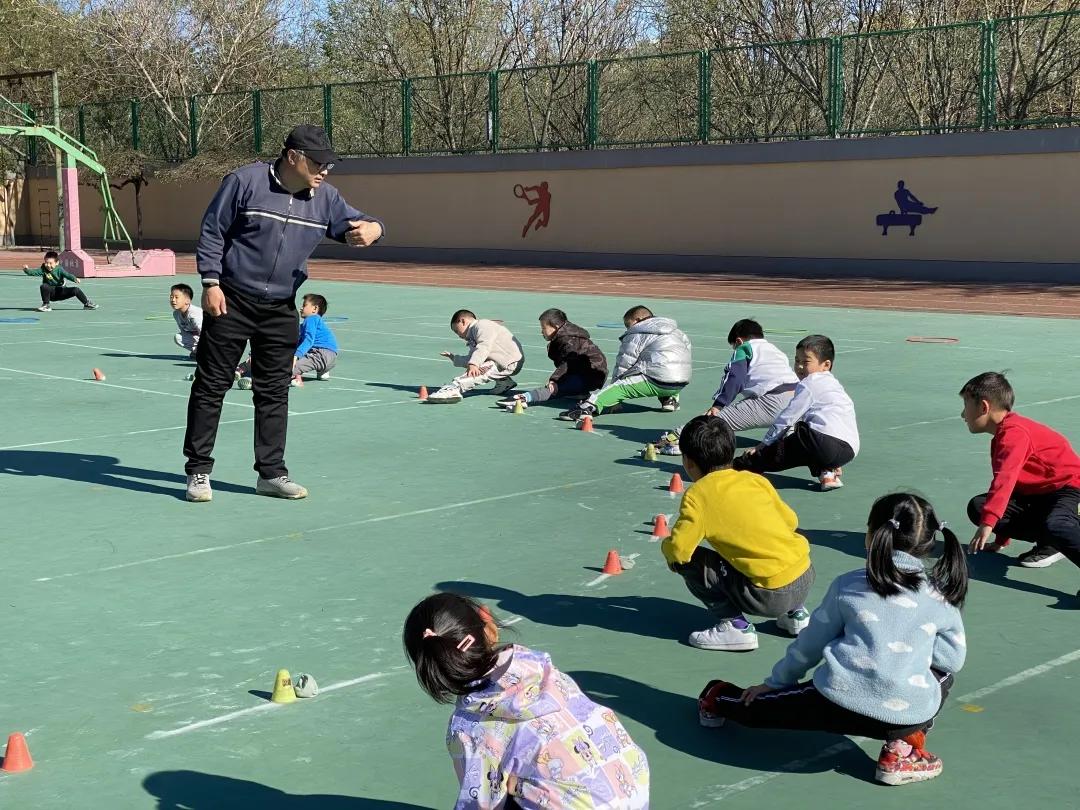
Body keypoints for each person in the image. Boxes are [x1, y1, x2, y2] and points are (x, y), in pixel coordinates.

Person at [697, 493, 968, 787]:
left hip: (833, 702)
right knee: (943, 678)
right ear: (931, 541)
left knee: (758, 708)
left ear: (873, 535)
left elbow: (810, 645)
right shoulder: (941, 596)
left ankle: (717, 697)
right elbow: (951, 660)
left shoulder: (849, 584)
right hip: (904, 713)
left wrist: (775, 683)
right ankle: (899, 751)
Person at [183, 124, 383, 503]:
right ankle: (198, 471)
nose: (325, 171)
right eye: (319, 162)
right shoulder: (244, 182)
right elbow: (213, 231)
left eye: (330, 164)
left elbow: (361, 223)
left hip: (280, 309)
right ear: (293, 157)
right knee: (211, 387)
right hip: (231, 300)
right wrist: (210, 283)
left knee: (274, 391)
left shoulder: (326, 199)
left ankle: (271, 474)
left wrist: (375, 228)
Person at [403, 592, 650, 808]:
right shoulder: (540, 668)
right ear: (489, 626)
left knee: (500, 789)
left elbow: (480, 802)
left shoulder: (467, 726)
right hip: (631, 788)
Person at [662, 416, 815, 652]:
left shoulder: (698, 496)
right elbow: (790, 520)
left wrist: (668, 550)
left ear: (688, 462)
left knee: (690, 562)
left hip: (768, 596)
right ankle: (796, 614)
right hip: (804, 577)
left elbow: (680, 550)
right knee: (778, 543)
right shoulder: (754, 480)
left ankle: (736, 626)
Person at [962, 371, 1080, 572]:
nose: (963, 414)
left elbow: (1005, 481)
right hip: (1041, 496)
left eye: (966, 406)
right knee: (979, 507)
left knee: (1057, 525)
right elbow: (1014, 489)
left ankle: (1060, 535)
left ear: (984, 406)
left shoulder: (1014, 434)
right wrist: (1000, 539)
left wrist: (988, 526)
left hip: (1070, 489)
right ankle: (1052, 543)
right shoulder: (1002, 437)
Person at [733, 334, 858, 491]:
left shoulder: (810, 383)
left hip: (822, 444)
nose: (799, 366)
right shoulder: (835, 386)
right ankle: (828, 472)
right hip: (848, 451)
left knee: (782, 448)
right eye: (797, 361)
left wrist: (762, 446)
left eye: (806, 362)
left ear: (826, 365)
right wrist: (833, 460)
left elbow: (787, 418)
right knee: (809, 433)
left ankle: (735, 467)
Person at [656, 318, 798, 455]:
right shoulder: (775, 350)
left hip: (770, 402)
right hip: (797, 400)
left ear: (738, 341)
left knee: (711, 423)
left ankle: (677, 439)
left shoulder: (744, 348)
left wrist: (719, 404)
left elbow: (735, 378)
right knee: (792, 442)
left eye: (734, 346)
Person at [560, 305, 691, 423]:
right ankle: (670, 399)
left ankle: (587, 408)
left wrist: (613, 396)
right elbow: (686, 351)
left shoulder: (637, 332)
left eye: (628, 325)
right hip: (681, 381)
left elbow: (625, 363)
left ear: (638, 320)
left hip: (658, 380)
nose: (628, 329)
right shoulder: (676, 331)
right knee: (665, 367)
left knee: (622, 386)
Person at [497, 308, 607, 410]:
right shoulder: (564, 336)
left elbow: (569, 362)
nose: (542, 331)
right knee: (564, 383)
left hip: (592, 374)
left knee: (555, 388)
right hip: (583, 371)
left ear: (556, 326)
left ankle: (525, 398)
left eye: (544, 328)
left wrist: (554, 380)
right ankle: (579, 392)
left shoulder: (569, 340)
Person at [428, 310, 524, 404]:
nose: (458, 335)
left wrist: (474, 364)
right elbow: (473, 357)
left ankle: (455, 388)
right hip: (502, 361)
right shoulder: (473, 336)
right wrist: (455, 358)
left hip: (507, 361)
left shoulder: (482, 325)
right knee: (477, 365)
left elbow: (484, 346)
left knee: (479, 371)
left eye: (457, 331)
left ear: (463, 321)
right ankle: (504, 382)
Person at [23, 250, 98, 312]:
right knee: (44, 286)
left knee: (76, 290)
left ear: (57, 263)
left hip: (61, 292)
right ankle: (46, 305)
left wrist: (74, 279)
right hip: (51, 294)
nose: (48, 265)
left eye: (50, 263)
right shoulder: (43, 269)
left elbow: (67, 275)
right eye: (46, 263)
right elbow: (34, 272)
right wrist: (26, 270)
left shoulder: (59, 269)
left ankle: (87, 304)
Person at [290, 293, 338, 386]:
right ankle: (323, 371)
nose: (301, 308)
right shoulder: (313, 321)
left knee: (287, 368)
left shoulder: (311, 319)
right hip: (331, 357)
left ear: (315, 309)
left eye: (304, 305)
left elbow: (308, 340)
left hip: (321, 354)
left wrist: (296, 355)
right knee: (306, 358)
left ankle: (295, 378)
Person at [170, 283, 202, 359]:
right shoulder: (176, 314)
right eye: (171, 297)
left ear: (187, 301)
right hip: (198, 337)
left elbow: (203, 332)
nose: (173, 300)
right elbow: (184, 332)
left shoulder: (194, 313)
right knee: (178, 337)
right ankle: (198, 352)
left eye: (176, 297)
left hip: (211, 336)